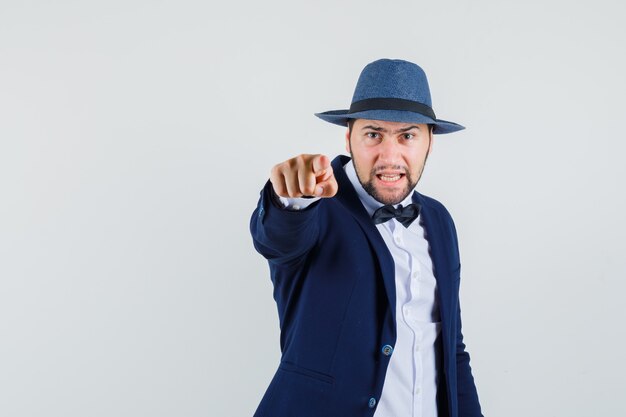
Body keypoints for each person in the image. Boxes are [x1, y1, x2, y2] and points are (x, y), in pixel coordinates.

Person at [250, 59, 483, 417]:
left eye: (407, 136)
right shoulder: (316, 205)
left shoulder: (439, 221)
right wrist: (290, 197)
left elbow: (451, 348)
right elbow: (278, 239)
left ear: (429, 143)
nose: (390, 157)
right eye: (373, 134)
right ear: (349, 137)